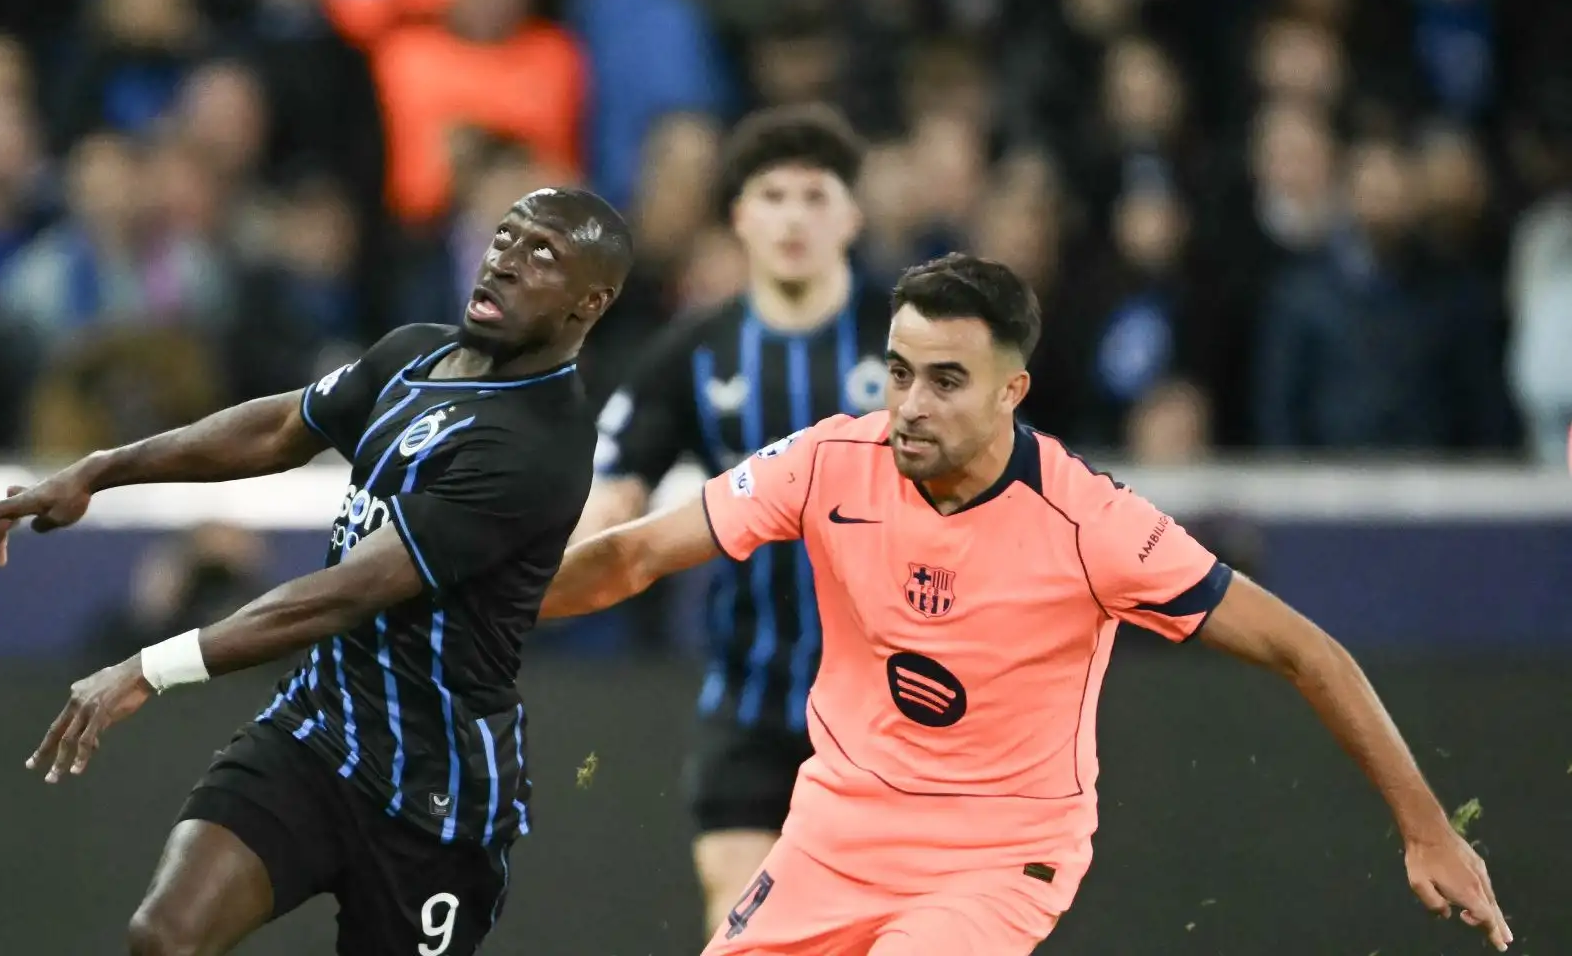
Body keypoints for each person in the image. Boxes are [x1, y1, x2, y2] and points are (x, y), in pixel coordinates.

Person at [543, 253, 1511, 956]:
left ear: (1013, 390)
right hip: (835, 835)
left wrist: (1427, 830)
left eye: (947, 380)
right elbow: (630, 559)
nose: (911, 403)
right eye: (899, 371)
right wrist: (474, 602)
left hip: (998, 859)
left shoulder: (1095, 526)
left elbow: (1312, 653)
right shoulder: (829, 460)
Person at [0, 187, 633, 956]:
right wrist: (101, 469)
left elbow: (345, 594)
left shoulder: (536, 446)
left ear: (590, 303)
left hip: (432, 791)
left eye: (542, 253)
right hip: (316, 731)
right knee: (165, 939)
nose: (506, 260)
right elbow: (282, 425)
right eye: (505, 236)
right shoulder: (415, 352)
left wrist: (151, 667)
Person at [574, 102, 888, 931]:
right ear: (741, 215)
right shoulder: (692, 352)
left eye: (814, 197)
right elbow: (613, 495)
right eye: (773, 196)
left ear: (851, 215)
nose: (793, 218)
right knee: (741, 919)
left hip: (888, 709)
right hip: (749, 698)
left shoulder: (908, 345)